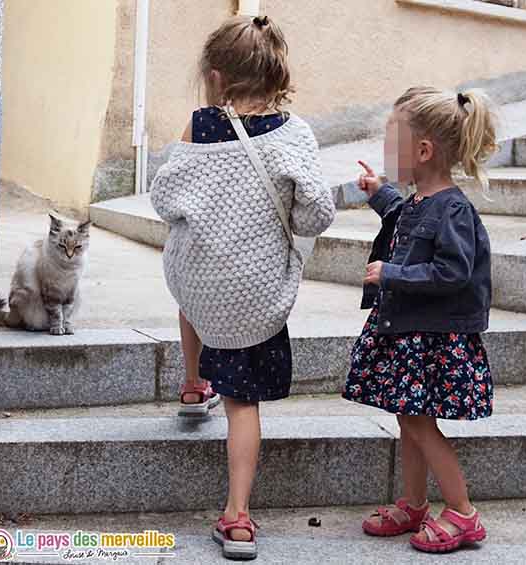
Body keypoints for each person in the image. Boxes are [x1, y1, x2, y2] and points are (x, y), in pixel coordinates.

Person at [150, 16, 335, 560]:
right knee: (243, 402)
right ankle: (238, 517)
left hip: (202, 284)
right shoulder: (294, 133)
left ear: (214, 77)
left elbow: (163, 200)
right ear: (276, 73)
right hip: (258, 295)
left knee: (190, 283)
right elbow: (317, 214)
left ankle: (190, 385)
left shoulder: (198, 125)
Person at [343, 86, 497, 554]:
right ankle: (413, 503)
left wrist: (394, 273)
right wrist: (379, 193)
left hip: (432, 338)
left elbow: (453, 270)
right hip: (409, 334)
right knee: (408, 418)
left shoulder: (452, 209)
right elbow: (402, 214)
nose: (386, 153)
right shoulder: (419, 200)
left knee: (420, 424)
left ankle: (464, 514)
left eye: (393, 144)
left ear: (424, 150)